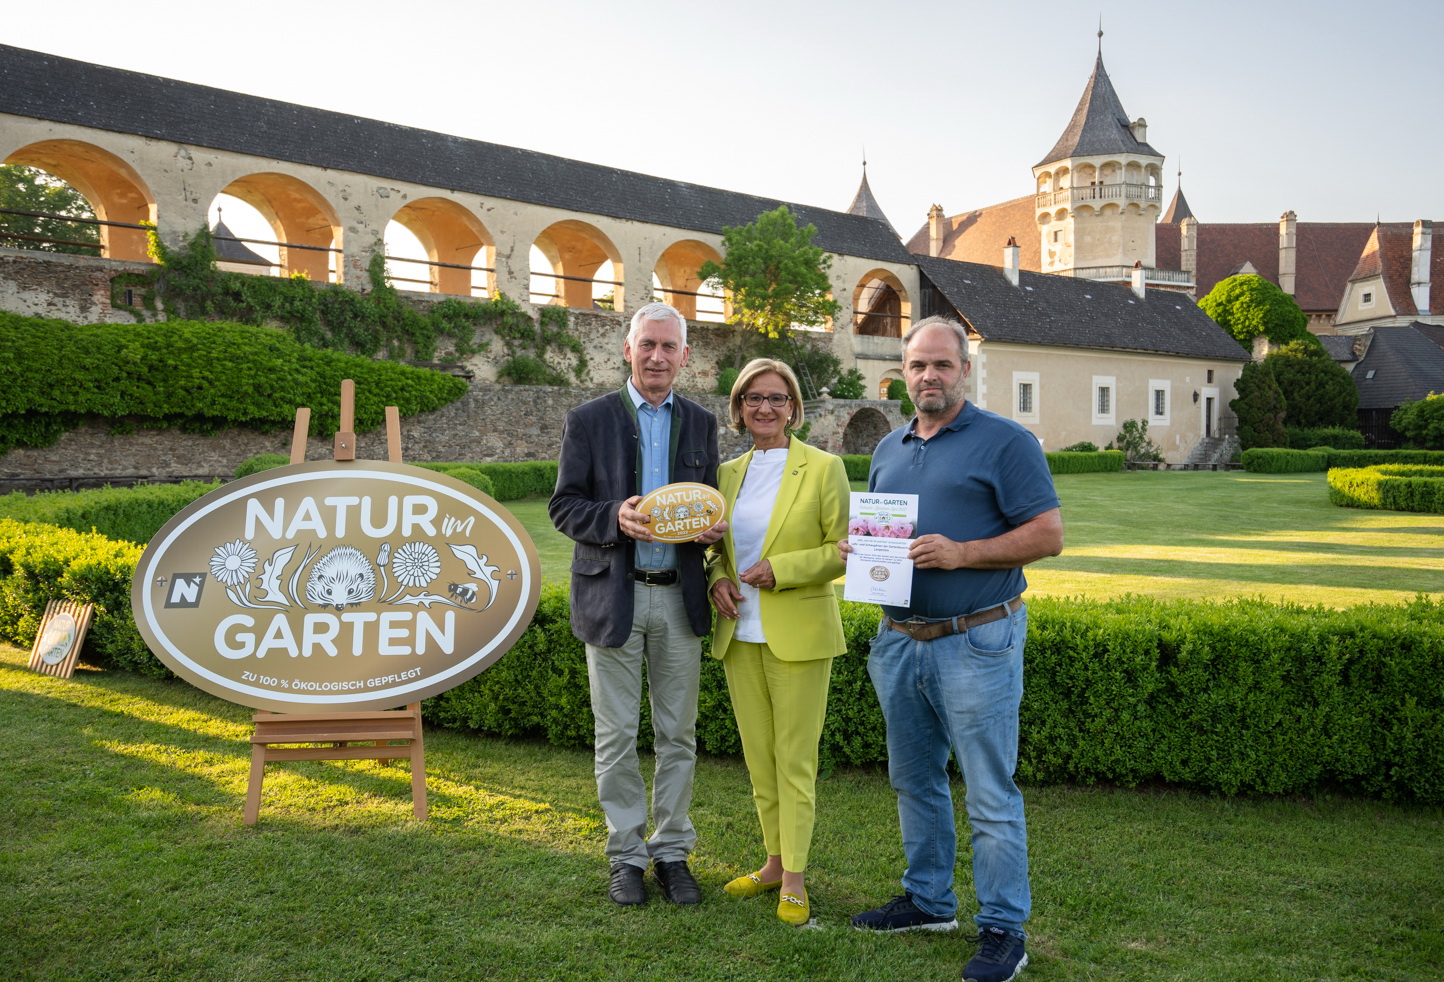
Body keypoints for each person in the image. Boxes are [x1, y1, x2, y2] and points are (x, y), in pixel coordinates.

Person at [843, 316, 1063, 982]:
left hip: (977, 638)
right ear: (903, 372)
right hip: (899, 641)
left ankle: (1002, 929)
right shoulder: (889, 447)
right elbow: (886, 538)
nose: (929, 377)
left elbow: (1049, 534)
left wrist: (964, 553)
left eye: (941, 365)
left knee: (989, 791)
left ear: (963, 369)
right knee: (915, 780)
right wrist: (859, 552)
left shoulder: (1006, 442)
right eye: (917, 366)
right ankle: (928, 900)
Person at [549, 301, 726, 908]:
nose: (657, 356)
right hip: (614, 597)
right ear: (627, 349)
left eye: (668, 347)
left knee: (678, 735)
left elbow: (709, 503)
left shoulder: (701, 424)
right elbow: (564, 506)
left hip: (679, 600)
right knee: (617, 736)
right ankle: (626, 855)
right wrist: (613, 518)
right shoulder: (589, 419)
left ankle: (672, 851)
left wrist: (712, 530)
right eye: (647, 345)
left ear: (684, 356)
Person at [706, 358, 849, 927]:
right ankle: (771, 863)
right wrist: (717, 576)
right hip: (738, 633)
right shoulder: (725, 474)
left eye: (777, 398)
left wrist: (781, 569)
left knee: (794, 762)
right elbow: (712, 545)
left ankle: (795, 878)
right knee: (759, 760)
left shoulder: (824, 467)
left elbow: (843, 548)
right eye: (753, 398)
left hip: (800, 635)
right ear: (739, 408)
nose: (764, 408)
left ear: (794, 406)